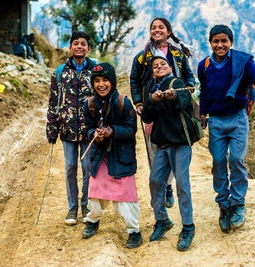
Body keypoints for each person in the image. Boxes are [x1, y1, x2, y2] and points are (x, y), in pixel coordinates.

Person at [197, 25, 255, 233]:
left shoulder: (243, 63)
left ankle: (238, 204)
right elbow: (204, 91)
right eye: (216, 41)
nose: (220, 45)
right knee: (217, 161)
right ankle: (223, 205)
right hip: (215, 121)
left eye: (224, 41)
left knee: (236, 160)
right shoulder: (204, 65)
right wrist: (203, 113)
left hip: (238, 119)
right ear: (210, 43)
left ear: (231, 43)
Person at [130, 17, 195, 208]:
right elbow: (135, 80)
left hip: (175, 108)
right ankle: (163, 187)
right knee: (154, 150)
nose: (157, 30)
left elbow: (188, 75)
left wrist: (187, 89)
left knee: (175, 144)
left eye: (161, 27)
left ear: (168, 31)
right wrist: (140, 102)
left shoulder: (177, 54)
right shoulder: (143, 57)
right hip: (154, 107)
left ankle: (168, 184)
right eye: (153, 28)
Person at [82, 62, 142, 249]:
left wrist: (111, 131)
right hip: (100, 156)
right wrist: (95, 134)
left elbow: (131, 130)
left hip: (121, 155)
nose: (101, 84)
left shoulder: (124, 102)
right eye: (97, 81)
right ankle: (93, 220)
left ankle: (134, 231)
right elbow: (88, 128)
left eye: (105, 80)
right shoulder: (90, 104)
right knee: (95, 192)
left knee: (125, 196)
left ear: (112, 82)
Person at [141, 56, 196, 251]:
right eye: (155, 66)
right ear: (153, 72)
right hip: (162, 143)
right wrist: (150, 101)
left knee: (182, 184)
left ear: (170, 67)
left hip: (180, 142)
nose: (159, 67)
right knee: (156, 181)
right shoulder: (152, 89)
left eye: (163, 64)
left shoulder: (178, 83)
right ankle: (162, 220)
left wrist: (172, 98)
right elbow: (146, 117)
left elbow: (184, 104)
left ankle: (188, 227)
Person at [46, 31, 98, 226]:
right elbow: (53, 103)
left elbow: (102, 99)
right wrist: (51, 129)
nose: (79, 46)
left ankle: (85, 204)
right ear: (70, 47)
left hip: (88, 130)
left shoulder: (95, 71)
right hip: (66, 130)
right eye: (75, 43)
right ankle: (72, 207)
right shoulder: (60, 73)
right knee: (70, 168)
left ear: (88, 48)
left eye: (83, 44)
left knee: (87, 168)